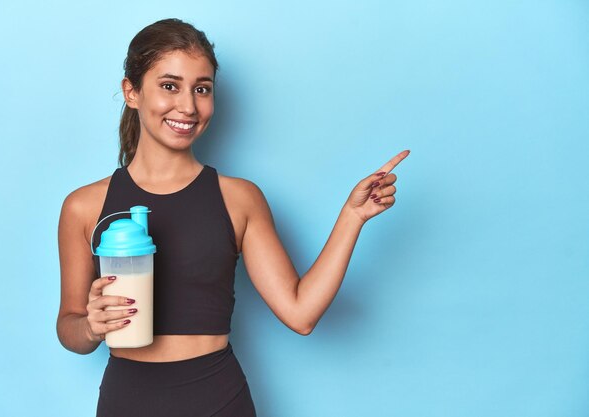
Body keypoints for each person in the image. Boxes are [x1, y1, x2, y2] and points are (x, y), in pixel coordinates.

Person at [56, 17, 409, 417]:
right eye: (169, 86)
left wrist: (353, 216)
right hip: (127, 401)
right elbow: (69, 326)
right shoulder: (83, 207)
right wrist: (89, 327)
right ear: (132, 92)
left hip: (218, 401)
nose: (188, 106)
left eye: (202, 89)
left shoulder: (239, 199)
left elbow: (300, 313)